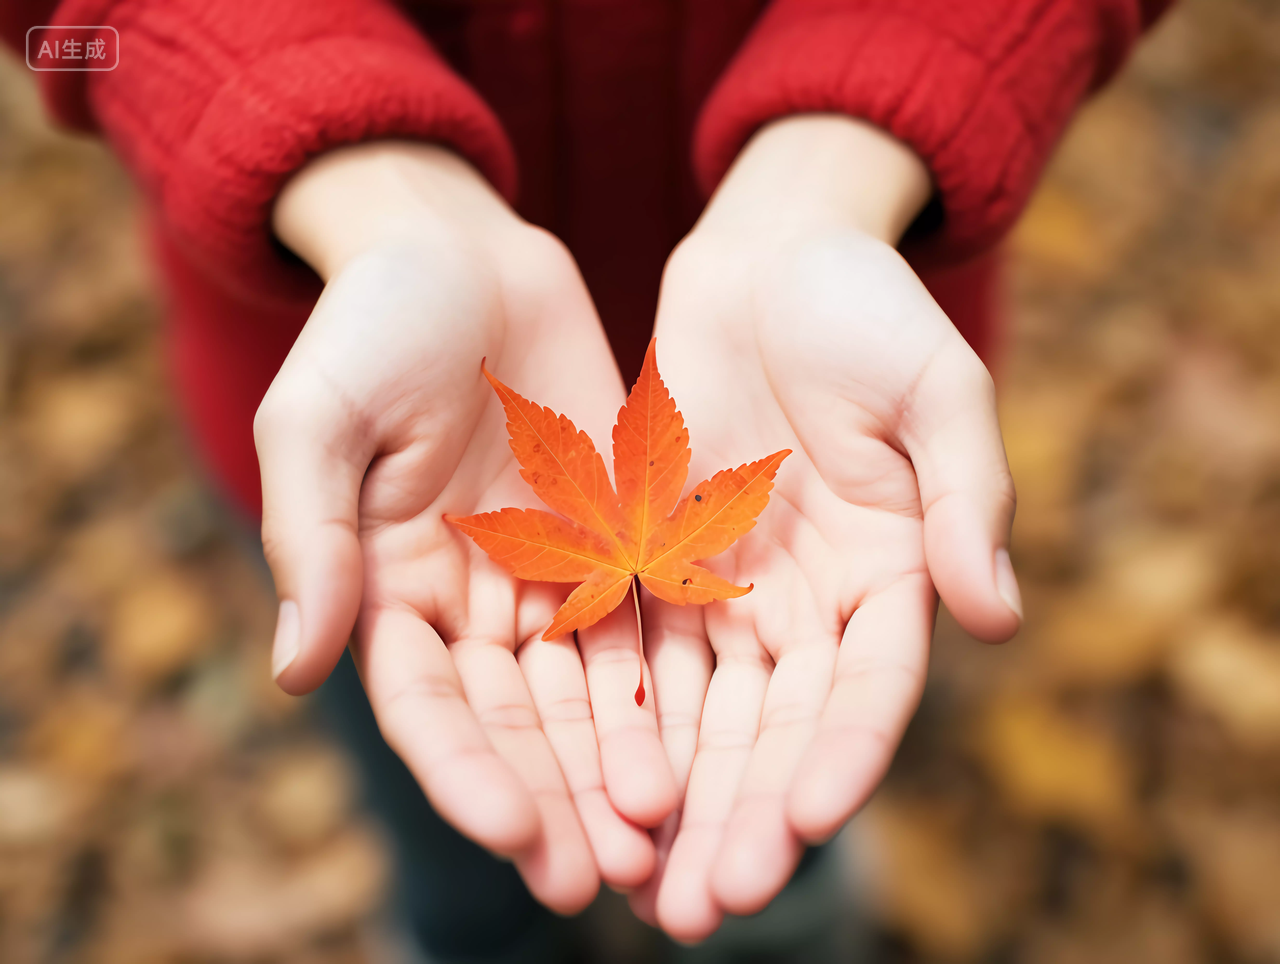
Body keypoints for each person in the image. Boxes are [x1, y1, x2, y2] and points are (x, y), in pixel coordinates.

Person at [2, 0, 1173, 958]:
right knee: (454, 821)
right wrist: (361, 187)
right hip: (390, 472)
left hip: (827, 434)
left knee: (784, 786)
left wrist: (841, 162)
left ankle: (785, 925)